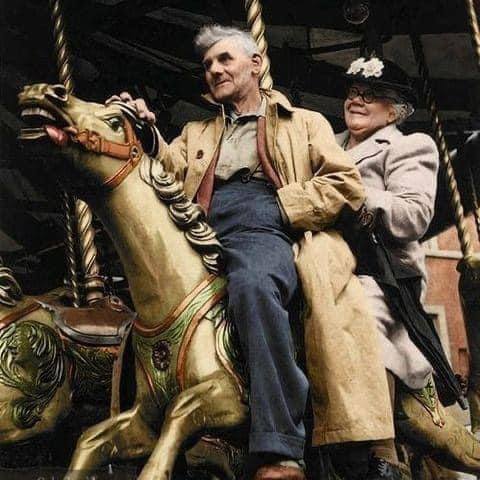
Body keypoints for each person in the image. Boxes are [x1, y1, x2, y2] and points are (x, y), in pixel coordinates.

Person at [111, 26, 395, 479]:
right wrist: (146, 135)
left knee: (254, 286)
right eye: (207, 65)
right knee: (150, 307)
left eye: (225, 59)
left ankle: (281, 444)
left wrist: (283, 208)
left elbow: (345, 183)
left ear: (256, 64)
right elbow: (164, 174)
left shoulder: (303, 122)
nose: (214, 70)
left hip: (265, 217)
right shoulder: (196, 130)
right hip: (198, 225)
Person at [337, 56, 466, 478]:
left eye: (370, 95)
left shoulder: (410, 146)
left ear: (394, 111)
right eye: (353, 91)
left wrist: (358, 198)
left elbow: (414, 214)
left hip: (381, 272)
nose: (357, 100)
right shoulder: (326, 143)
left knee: (361, 314)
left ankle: (382, 449)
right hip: (326, 261)